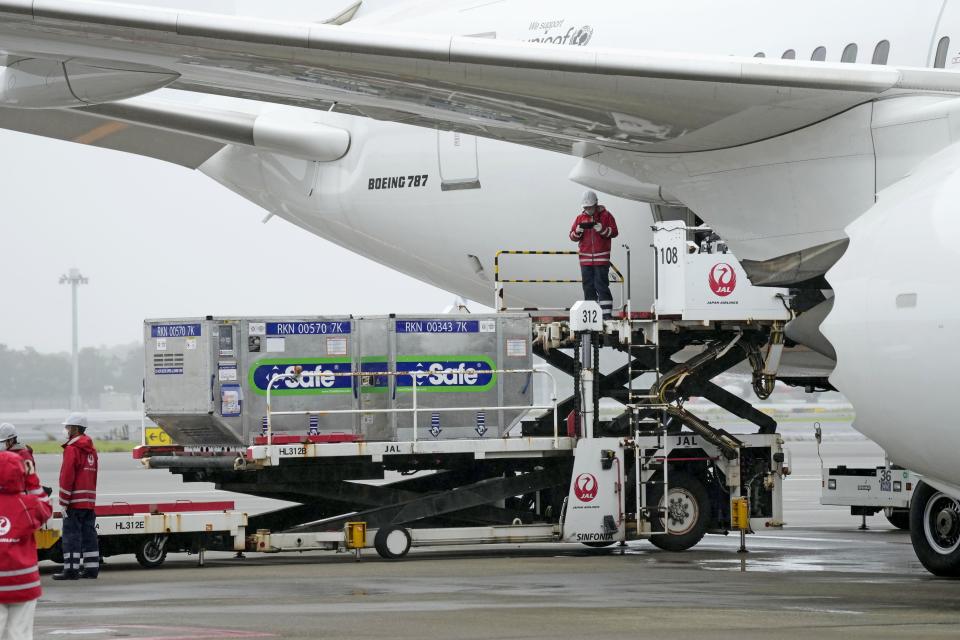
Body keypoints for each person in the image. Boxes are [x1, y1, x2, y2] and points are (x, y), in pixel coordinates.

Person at [0, 450, 52, 640]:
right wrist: (32, 481)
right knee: (19, 634)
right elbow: (46, 509)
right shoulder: (28, 504)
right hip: (23, 582)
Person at [53, 413, 99, 581]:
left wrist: (63, 502)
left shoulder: (72, 449)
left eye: (67, 427)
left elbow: (67, 476)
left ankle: (71, 570)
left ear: (75, 429)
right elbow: (93, 477)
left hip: (73, 502)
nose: (65, 430)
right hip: (89, 502)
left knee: (71, 536)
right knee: (89, 535)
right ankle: (91, 570)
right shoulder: (92, 450)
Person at [569, 190, 619, 319]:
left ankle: (606, 315)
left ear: (596, 204)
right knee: (588, 287)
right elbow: (572, 236)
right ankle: (592, 316)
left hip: (601, 258)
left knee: (601, 285)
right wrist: (577, 232)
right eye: (585, 207)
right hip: (585, 259)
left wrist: (602, 229)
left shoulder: (606, 216)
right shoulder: (580, 218)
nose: (587, 209)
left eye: (589, 207)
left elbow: (614, 232)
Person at [0, 423, 48, 504]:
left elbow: (30, 478)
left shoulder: (24, 454)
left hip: (21, 496)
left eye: (3, 441)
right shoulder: (4, 454)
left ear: (11, 440)